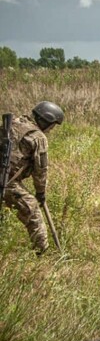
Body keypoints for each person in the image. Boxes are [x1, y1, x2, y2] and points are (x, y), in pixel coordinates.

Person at [1, 101, 64, 254]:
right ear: (46, 120)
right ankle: (42, 253)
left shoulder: (12, 123)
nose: (51, 130)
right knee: (33, 211)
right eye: (52, 126)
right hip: (6, 181)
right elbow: (40, 170)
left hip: (5, 178)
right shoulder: (38, 137)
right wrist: (40, 193)